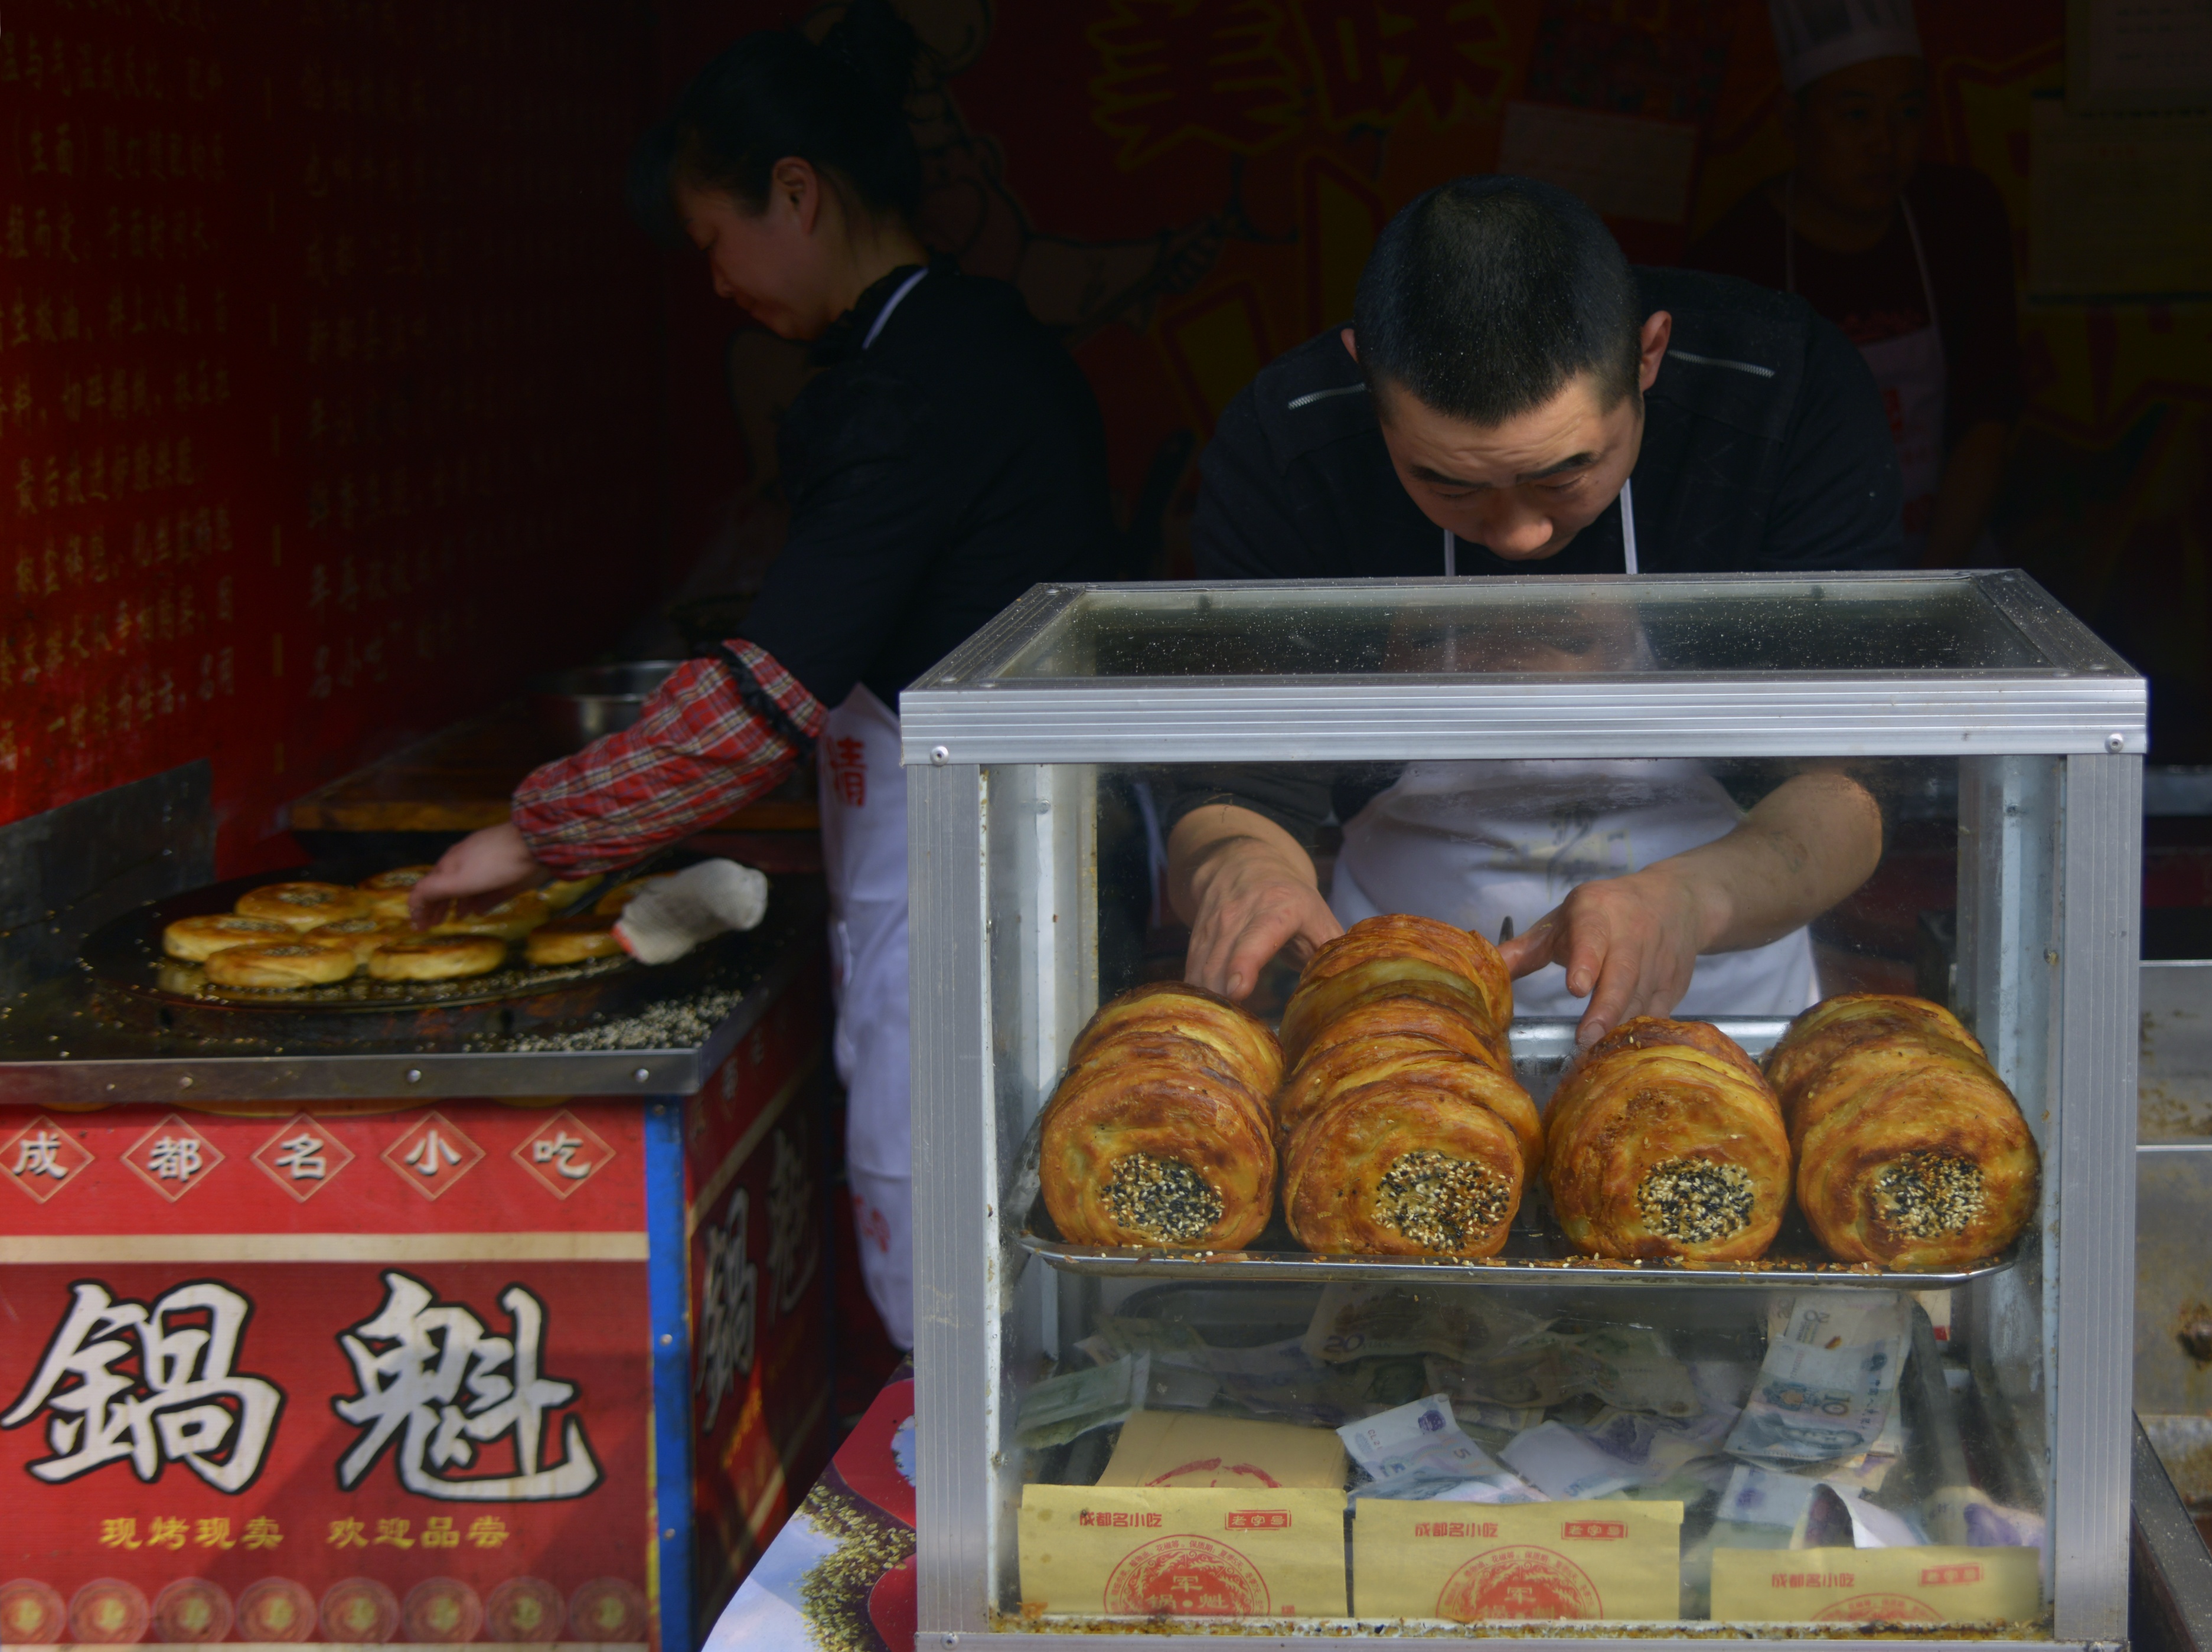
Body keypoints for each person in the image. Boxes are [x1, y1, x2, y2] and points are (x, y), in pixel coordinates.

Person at [410, 1, 1118, 1349]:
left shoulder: (908, 388)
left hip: (971, 877)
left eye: (715, 239)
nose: (718, 281)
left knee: (966, 1234)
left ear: (796, 192)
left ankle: (955, 1527)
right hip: (999, 870)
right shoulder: (974, 344)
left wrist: (528, 832)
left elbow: (755, 705)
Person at [1173, 175, 1894, 1046]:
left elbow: (1841, 786)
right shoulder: (1288, 444)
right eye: (1446, 481)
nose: (1516, 537)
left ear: (1647, 354)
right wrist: (1240, 867)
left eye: (1562, 474)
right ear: (1363, 370)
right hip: (1399, 1011)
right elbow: (1234, 784)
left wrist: (1690, 899)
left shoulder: (1780, 396)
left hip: (1728, 1002)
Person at [1685, 0, 2022, 567]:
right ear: (1793, 123)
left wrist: (1928, 591)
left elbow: (1987, 417)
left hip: (1947, 559)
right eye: (1856, 116)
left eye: (1908, 114)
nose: (1884, 144)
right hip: (1804, 575)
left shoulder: (1962, 218)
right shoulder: (1736, 256)